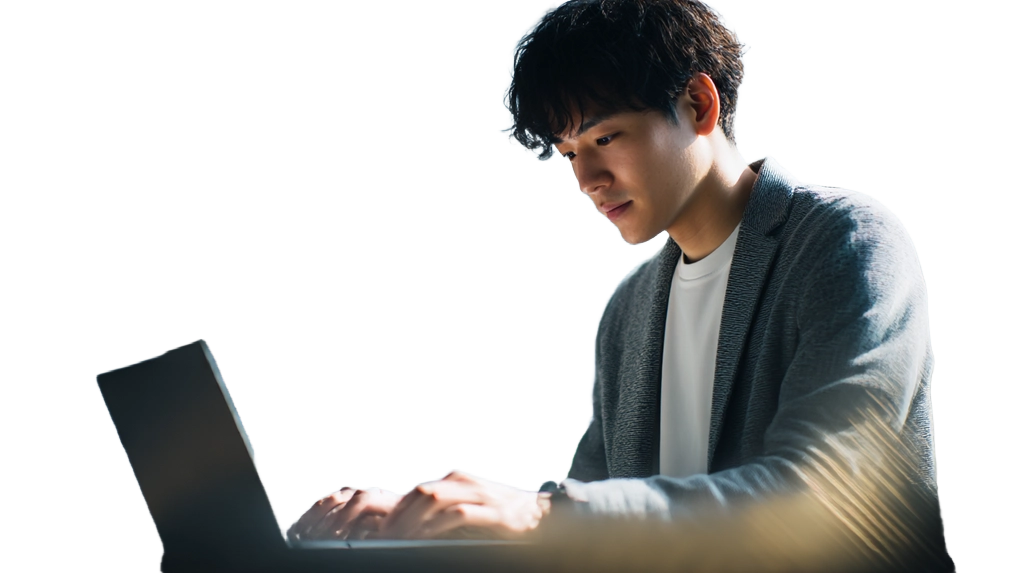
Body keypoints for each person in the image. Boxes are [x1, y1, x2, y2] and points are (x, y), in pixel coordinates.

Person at [289, 0, 935, 541]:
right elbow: (589, 522)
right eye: (570, 153)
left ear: (699, 104)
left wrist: (538, 515)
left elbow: (819, 497)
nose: (587, 180)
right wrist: (422, 524)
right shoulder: (629, 312)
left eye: (604, 139)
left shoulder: (845, 244)